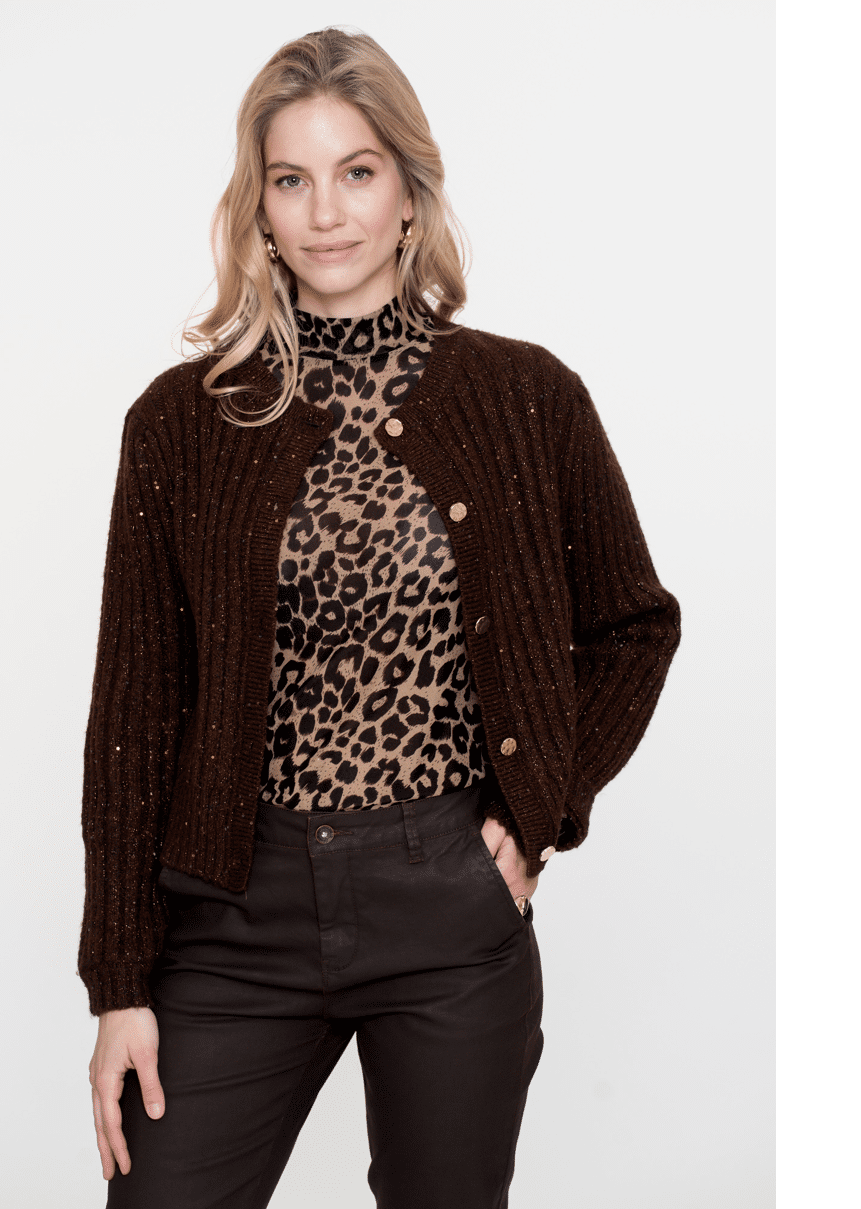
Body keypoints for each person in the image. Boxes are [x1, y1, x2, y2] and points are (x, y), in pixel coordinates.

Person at [80, 27, 681, 1209]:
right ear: (258, 208)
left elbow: (632, 625)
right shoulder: (180, 425)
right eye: (290, 180)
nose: (326, 213)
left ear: (409, 189)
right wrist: (120, 985)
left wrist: (538, 814)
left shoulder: (527, 398)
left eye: (357, 171)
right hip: (234, 915)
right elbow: (136, 719)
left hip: (447, 905)